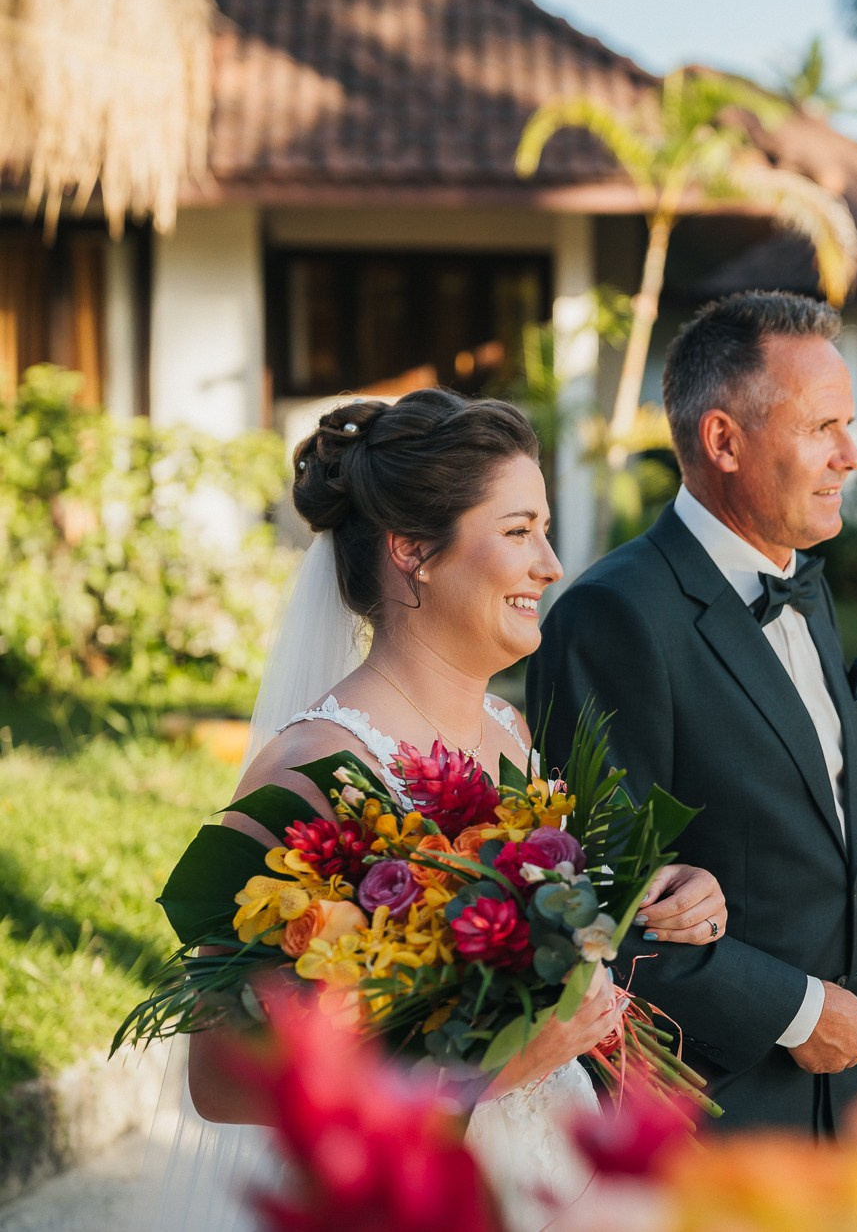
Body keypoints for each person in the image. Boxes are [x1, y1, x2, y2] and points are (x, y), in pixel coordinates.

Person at [168, 388, 725, 1232]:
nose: (551, 563)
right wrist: (478, 1073)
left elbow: (541, 948)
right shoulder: (313, 766)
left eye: (544, 528)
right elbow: (217, 1079)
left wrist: (653, 893)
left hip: (563, 1169)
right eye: (518, 530)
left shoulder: (511, 732)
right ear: (413, 550)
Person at [528, 290, 857, 1140]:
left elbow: (827, 849)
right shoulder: (612, 618)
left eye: (849, 425)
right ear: (723, 440)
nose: (851, 455)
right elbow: (592, 907)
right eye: (822, 427)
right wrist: (794, 1011)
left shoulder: (806, 586)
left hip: (838, 1093)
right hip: (707, 1110)